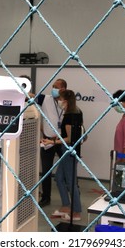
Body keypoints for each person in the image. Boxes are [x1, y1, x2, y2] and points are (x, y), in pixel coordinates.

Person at [41, 89, 83, 221]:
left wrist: (51, 141)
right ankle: (66, 205)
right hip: (69, 149)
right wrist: (53, 137)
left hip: (69, 150)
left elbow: (69, 138)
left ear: (65, 100)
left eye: (60, 99)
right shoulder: (76, 112)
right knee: (59, 178)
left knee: (70, 182)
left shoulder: (70, 115)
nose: (58, 101)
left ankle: (76, 211)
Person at [35, 78, 67, 207]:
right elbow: (31, 96)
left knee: (67, 169)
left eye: (56, 87)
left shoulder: (68, 102)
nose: (53, 89)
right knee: (46, 171)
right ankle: (46, 197)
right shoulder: (46, 99)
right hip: (48, 141)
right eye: (53, 86)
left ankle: (71, 194)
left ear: (63, 89)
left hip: (62, 141)